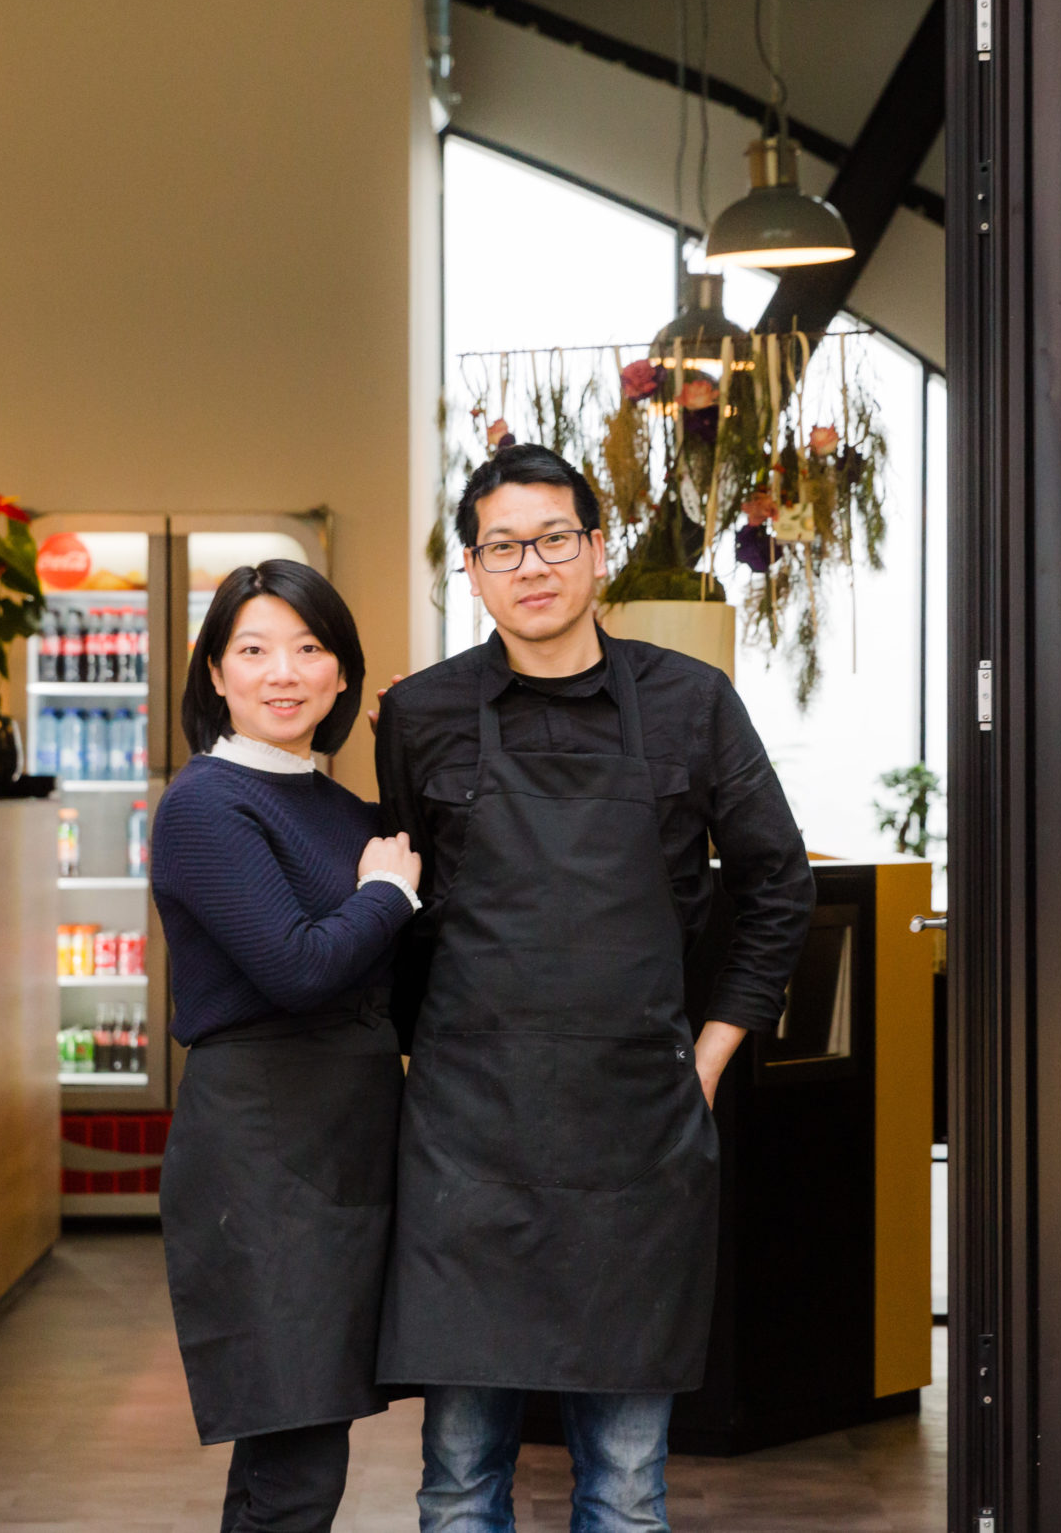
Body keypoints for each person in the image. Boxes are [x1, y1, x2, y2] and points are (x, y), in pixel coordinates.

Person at [373, 444, 814, 1533]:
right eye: (503, 547)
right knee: (458, 1477)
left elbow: (778, 888)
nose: (532, 566)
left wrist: (706, 1060)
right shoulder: (419, 713)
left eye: (554, 538)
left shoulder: (691, 705)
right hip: (467, 1142)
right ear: (471, 571)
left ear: (597, 549)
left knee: (623, 1485)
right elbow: (401, 909)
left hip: (636, 1139)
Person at [152, 559, 423, 1533]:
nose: (284, 672)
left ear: (342, 675)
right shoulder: (205, 805)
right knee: (297, 1461)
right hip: (259, 1152)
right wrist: (385, 895)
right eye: (254, 650)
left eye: (310, 650)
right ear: (214, 673)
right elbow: (301, 968)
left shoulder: (346, 812)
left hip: (342, 1140)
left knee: (291, 1448)